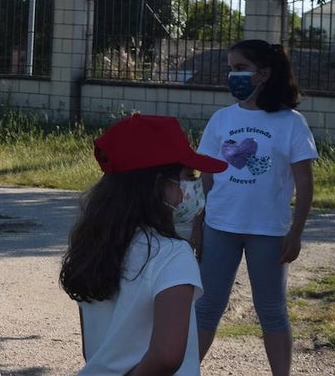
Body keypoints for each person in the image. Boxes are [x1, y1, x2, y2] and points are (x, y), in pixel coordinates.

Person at [60, 114, 228, 376]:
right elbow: (167, 355)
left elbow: (94, 348)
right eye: (188, 175)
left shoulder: (93, 247)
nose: (196, 186)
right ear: (158, 184)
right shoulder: (173, 255)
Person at [192, 39, 318, 376]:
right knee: (205, 308)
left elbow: (304, 182)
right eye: (230, 69)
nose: (232, 75)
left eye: (239, 69)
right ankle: (185, 371)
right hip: (219, 227)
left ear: (263, 73)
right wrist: (198, 224)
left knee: (272, 311)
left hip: (269, 232)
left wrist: (297, 231)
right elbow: (207, 174)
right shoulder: (221, 119)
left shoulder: (291, 122)